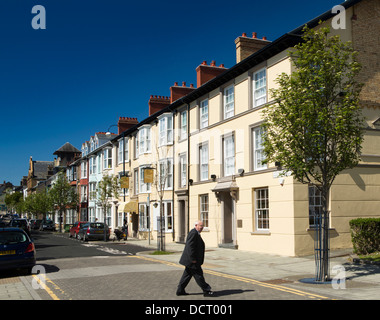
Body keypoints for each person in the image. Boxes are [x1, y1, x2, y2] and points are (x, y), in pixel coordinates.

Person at [176, 220, 214, 297]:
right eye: (200, 226)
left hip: (191, 260)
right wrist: (192, 258)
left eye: (202, 226)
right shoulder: (193, 233)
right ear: (196, 225)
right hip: (192, 260)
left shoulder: (196, 233)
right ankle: (206, 290)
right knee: (198, 275)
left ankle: (180, 290)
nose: (202, 227)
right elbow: (190, 247)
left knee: (187, 276)